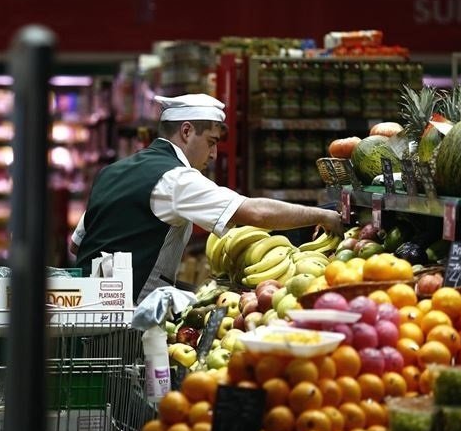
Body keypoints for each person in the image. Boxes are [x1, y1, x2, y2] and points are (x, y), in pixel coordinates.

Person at [71, 93, 343, 304]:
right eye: (211, 142)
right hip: (129, 318)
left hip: (86, 307)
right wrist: (323, 215)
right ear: (187, 131)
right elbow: (255, 212)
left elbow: (77, 245)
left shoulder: (111, 171)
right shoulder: (175, 178)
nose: (213, 155)